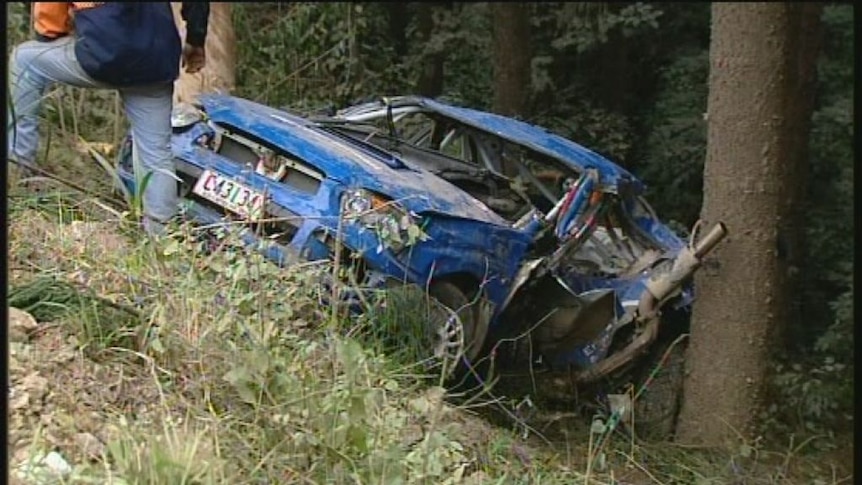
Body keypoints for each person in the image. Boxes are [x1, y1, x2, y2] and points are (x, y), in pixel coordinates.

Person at [7, 2, 210, 236]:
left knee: (24, 60)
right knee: (156, 154)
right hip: (156, 57)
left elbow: (49, 20)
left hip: (102, 54)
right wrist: (196, 40)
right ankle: (162, 239)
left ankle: (18, 169)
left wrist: (52, 37)